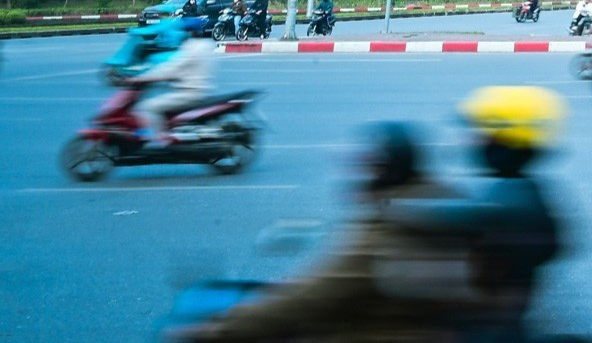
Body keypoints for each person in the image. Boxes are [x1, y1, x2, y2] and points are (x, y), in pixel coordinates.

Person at [183, 124, 456, 341]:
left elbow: (311, 298)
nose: (358, 176)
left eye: (368, 168)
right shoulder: (441, 203)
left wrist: (218, 331)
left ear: (386, 172)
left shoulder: (386, 231)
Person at [389, 87, 568, 337]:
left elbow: (459, 214)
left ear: (504, 141)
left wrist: (390, 208)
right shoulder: (520, 188)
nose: (470, 140)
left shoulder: (513, 199)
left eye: (479, 133)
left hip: (492, 329)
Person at [128, 20, 216, 146]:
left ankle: (161, 139)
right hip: (200, 90)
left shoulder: (190, 49)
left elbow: (171, 69)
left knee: (147, 107)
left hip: (189, 93)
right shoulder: (206, 45)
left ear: (188, 33)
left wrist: (142, 78)